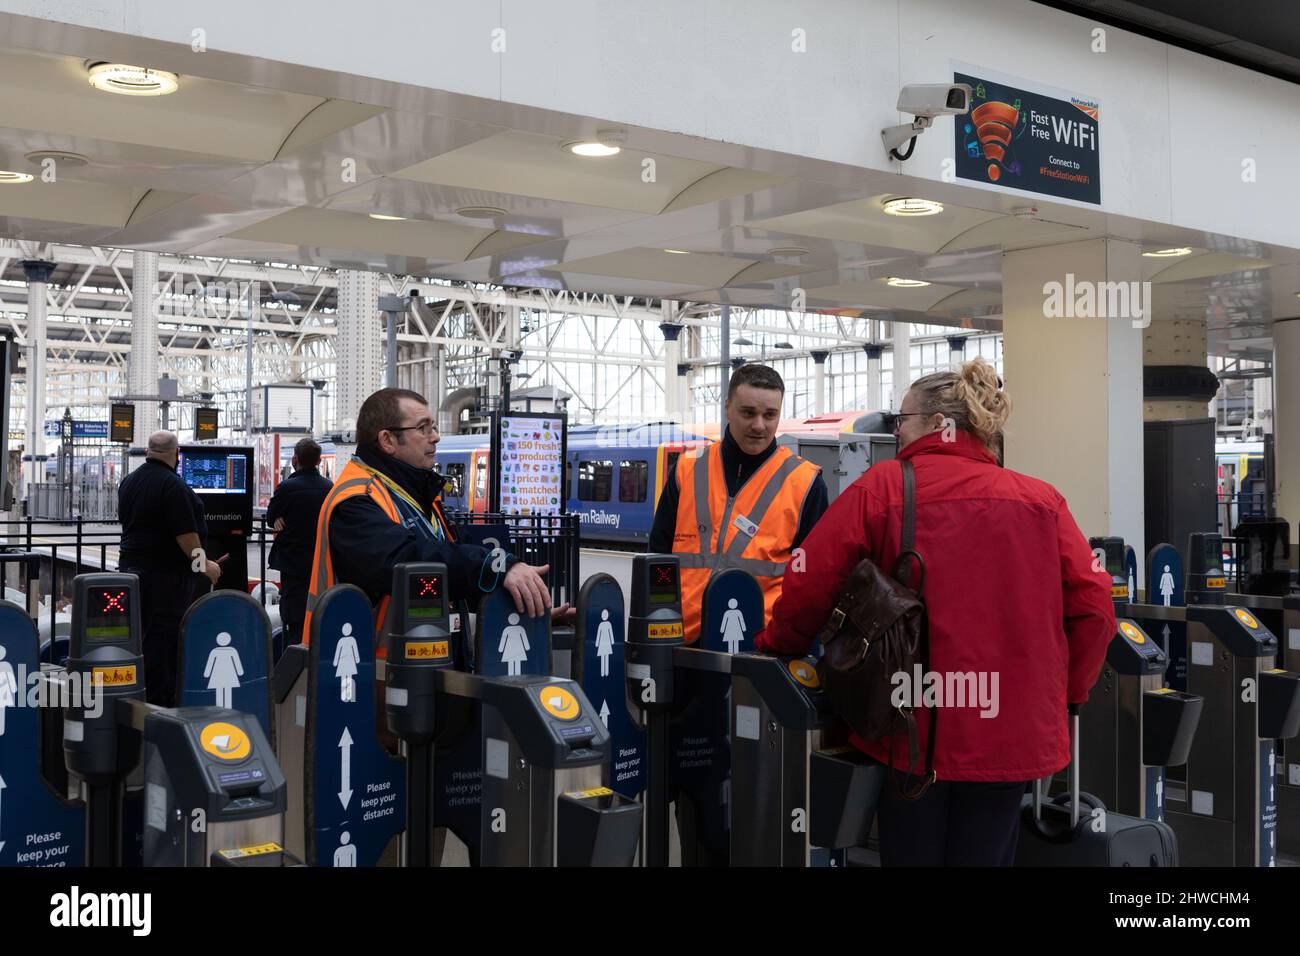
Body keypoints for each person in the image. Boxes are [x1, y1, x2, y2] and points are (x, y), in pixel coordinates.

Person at [756, 357, 1115, 867]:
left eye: (901, 421)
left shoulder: (883, 488)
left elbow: (811, 579)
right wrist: (1067, 694)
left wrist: (781, 646)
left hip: (915, 728)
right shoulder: (1042, 501)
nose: (897, 432)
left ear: (933, 423)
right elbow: (1095, 608)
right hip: (1012, 735)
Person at [304, 388, 562, 646]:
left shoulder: (421, 497)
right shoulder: (356, 500)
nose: (436, 437)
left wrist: (523, 612)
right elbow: (405, 559)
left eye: (434, 426)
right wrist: (493, 567)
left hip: (427, 665)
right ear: (387, 440)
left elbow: (455, 579)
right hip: (369, 673)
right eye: (423, 428)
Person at [648, 363, 829, 643]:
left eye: (770, 415)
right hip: (683, 639)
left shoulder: (805, 482)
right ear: (728, 407)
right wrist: (661, 619)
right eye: (748, 413)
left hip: (760, 644)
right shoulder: (687, 469)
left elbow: (811, 578)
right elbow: (659, 555)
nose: (759, 425)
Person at [117, 431, 222, 707]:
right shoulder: (173, 487)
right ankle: (158, 711)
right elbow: (186, 536)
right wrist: (205, 566)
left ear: (149, 451)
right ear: (177, 454)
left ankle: (135, 704)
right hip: (165, 583)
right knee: (162, 650)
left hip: (130, 575)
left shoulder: (129, 482)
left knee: (138, 642)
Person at [266, 438, 332, 643]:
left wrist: (278, 518)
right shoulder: (329, 487)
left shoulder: (287, 487)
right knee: (319, 606)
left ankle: (293, 654)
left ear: (295, 459)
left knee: (294, 612)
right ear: (319, 461)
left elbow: (270, 518)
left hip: (293, 562)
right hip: (321, 560)